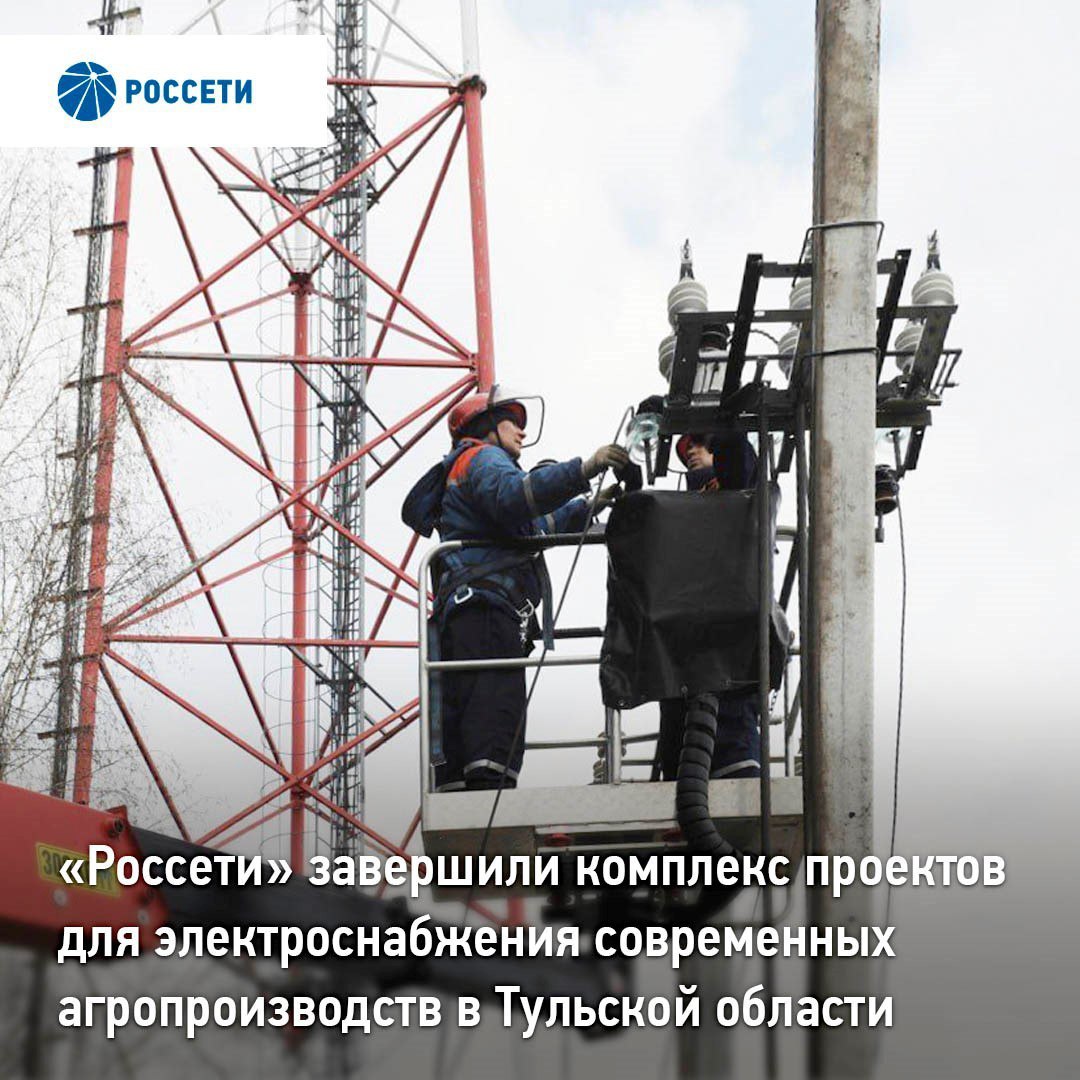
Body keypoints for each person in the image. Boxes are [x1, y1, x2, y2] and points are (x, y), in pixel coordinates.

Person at [403, 385, 627, 791]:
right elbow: (518, 497)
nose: (521, 432)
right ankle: (489, 789)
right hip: (487, 611)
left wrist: (589, 505)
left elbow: (534, 528)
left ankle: (462, 789)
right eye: (513, 422)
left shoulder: (466, 470)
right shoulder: (485, 458)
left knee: (468, 714)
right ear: (487, 426)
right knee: (494, 708)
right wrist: (585, 469)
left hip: (466, 612)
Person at [656, 431, 763, 781]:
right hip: (685, 638)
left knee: (729, 718)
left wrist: (720, 423)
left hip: (731, 634)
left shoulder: (736, 484)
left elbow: (738, 459)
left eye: (701, 443)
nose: (692, 451)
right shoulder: (678, 508)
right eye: (687, 448)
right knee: (679, 723)